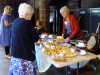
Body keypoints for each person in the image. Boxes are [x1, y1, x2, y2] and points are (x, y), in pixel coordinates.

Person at [8, 3, 40, 75]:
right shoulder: (27, 23)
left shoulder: (15, 22)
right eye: (31, 15)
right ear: (26, 14)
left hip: (15, 57)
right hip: (25, 58)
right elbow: (36, 39)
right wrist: (37, 30)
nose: (31, 17)